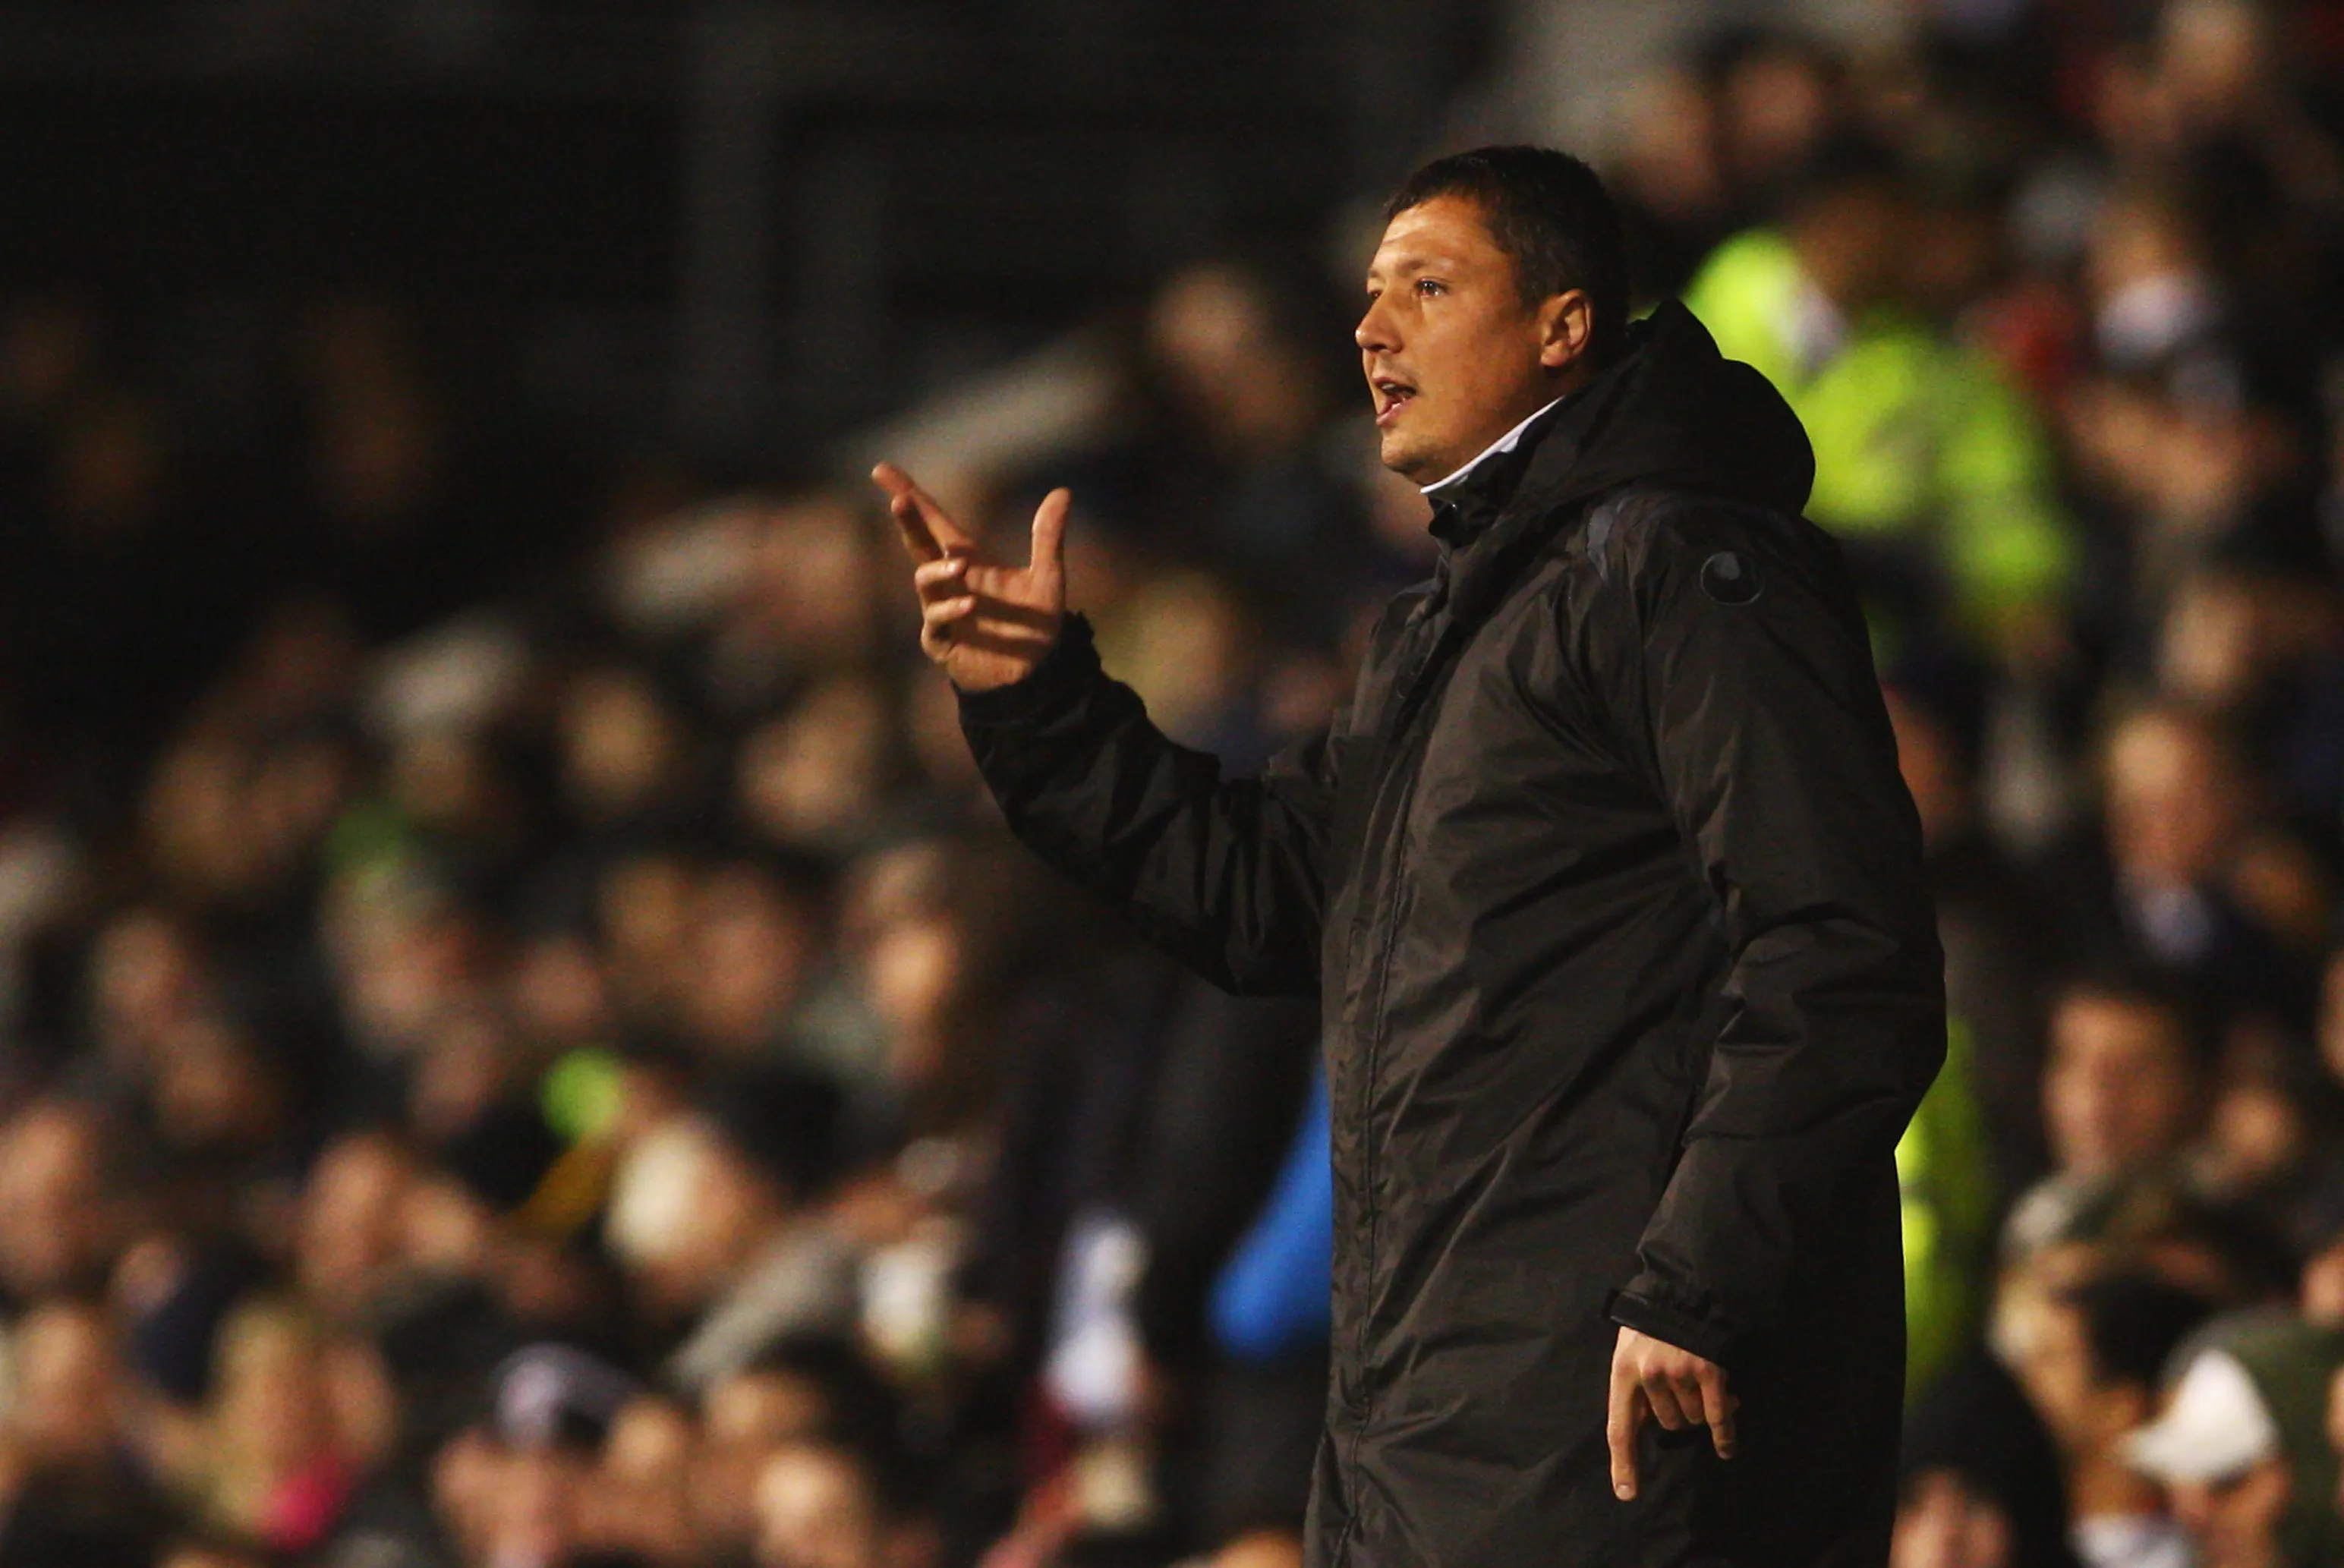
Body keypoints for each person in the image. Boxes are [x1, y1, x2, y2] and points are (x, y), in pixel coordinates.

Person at [874, 145, 1944, 1566]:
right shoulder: (1446, 632)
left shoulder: (1682, 569)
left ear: (1564, 325)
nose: (1373, 330)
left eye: (1428, 289)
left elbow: (1840, 947)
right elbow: (1254, 894)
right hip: (1434, 1421)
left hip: (1622, 1423)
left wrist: (1700, 1285)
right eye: (1370, 295)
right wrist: (1041, 704)